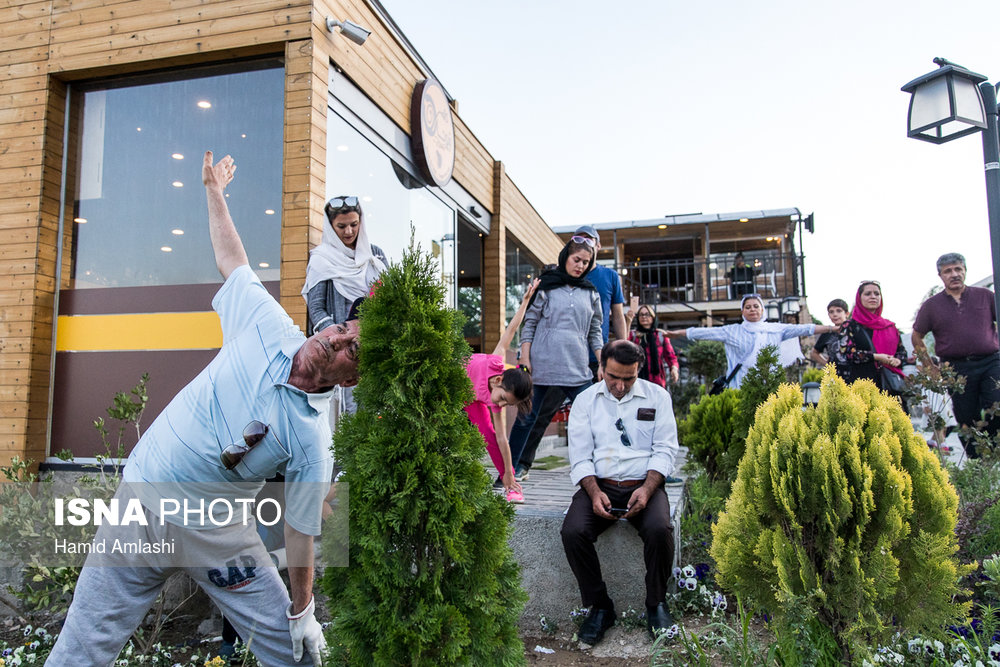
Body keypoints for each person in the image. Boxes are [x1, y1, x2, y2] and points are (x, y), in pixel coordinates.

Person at [46, 152, 355, 667]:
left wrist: (303, 612)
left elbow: (302, 531)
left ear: (352, 378)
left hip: (217, 533)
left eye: (352, 349)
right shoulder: (267, 326)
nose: (335, 338)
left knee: (297, 654)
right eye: (340, 328)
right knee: (81, 647)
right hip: (140, 503)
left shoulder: (311, 436)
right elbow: (234, 262)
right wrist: (214, 192)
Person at [560, 340, 679, 645]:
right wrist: (593, 490)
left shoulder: (657, 397)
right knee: (573, 531)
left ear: (638, 371)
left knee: (660, 529)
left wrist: (649, 487)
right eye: (613, 376)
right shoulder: (586, 401)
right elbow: (581, 455)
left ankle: (656, 604)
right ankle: (600, 607)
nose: (620, 385)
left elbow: (665, 448)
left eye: (628, 378)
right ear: (602, 368)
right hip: (599, 484)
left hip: (644, 483)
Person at [508, 238, 603, 482]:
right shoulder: (547, 287)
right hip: (541, 367)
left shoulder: (591, 293)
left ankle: (603, 470)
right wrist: (525, 358)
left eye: (585, 262)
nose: (580, 265)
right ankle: (510, 470)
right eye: (576, 260)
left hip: (577, 368)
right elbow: (529, 323)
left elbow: (595, 330)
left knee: (596, 418)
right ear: (565, 258)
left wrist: (602, 362)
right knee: (526, 418)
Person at [301, 195, 387, 416]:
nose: (349, 231)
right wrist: (337, 337)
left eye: (354, 224)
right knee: (349, 410)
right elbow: (316, 308)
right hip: (342, 350)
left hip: (374, 346)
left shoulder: (375, 255)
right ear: (330, 227)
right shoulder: (321, 259)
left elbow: (391, 299)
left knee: (378, 406)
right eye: (341, 226)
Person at [913, 253, 1000, 459]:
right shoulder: (931, 306)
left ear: (965, 271)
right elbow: (917, 336)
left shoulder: (986, 296)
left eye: (958, 269)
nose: (954, 274)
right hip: (956, 369)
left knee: (997, 405)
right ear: (940, 275)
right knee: (965, 416)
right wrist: (929, 366)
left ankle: (994, 450)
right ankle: (976, 461)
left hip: (991, 361)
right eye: (948, 271)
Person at [464, 279, 538, 504]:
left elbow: (503, 440)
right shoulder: (495, 361)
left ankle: (511, 485)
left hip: (469, 400)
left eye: (507, 404)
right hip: (451, 386)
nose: (501, 405)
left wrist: (507, 470)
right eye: (504, 399)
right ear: (498, 380)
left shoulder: (495, 400)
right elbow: (512, 328)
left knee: (490, 434)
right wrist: (525, 301)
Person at [665, 294, 831, 389]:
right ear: (743, 311)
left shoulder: (776, 329)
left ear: (762, 310)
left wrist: (831, 328)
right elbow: (704, 332)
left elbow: (806, 328)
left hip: (769, 387)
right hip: (740, 388)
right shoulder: (732, 331)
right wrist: (678, 333)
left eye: (755, 306)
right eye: (748, 307)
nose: (752, 309)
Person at [571, 225, 626, 377]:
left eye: (588, 240)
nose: (584, 243)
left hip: (598, 354)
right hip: (568, 355)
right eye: (579, 239)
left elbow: (617, 315)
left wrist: (624, 346)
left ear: (598, 246)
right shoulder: (567, 275)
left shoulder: (610, 276)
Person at [844, 281, 908, 406]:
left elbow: (902, 352)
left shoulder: (890, 327)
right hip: (861, 387)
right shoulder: (850, 326)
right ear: (859, 298)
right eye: (868, 294)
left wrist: (897, 360)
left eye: (877, 294)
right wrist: (876, 357)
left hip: (888, 386)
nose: (873, 297)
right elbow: (847, 354)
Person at [626, 304, 679, 387]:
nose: (644, 317)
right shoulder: (633, 335)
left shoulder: (661, 335)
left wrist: (674, 369)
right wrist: (628, 322)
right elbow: (623, 345)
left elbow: (671, 357)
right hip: (637, 380)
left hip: (657, 381)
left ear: (653, 317)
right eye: (641, 314)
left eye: (647, 314)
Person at [810, 298, 851, 379]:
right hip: (835, 377)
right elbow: (814, 353)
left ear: (846, 314)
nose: (835, 314)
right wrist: (827, 364)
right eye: (831, 312)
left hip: (854, 374)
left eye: (838, 311)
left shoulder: (853, 330)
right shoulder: (827, 333)